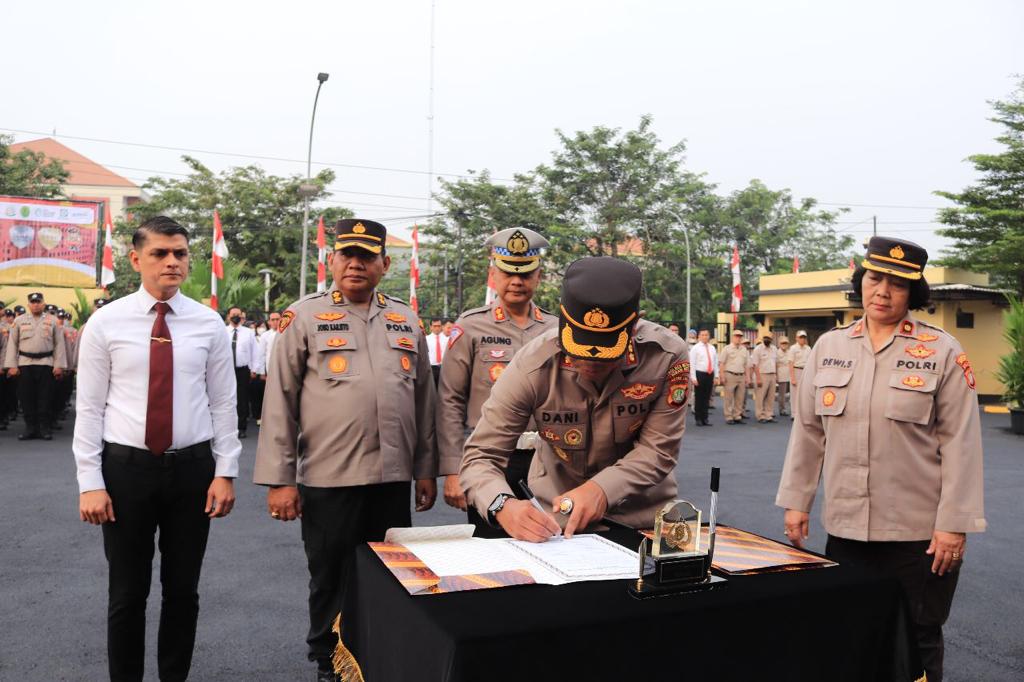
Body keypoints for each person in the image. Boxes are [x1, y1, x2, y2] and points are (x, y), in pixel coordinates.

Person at [777, 237, 986, 682]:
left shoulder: (942, 351)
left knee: (919, 638)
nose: (883, 291)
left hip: (919, 536)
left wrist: (953, 525)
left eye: (897, 284)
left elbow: (961, 443)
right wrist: (797, 501)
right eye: (875, 279)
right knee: (853, 632)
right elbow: (809, 432)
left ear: (914, 293)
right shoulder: (829, 348)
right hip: (847, 529)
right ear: (861, 281)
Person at [254, 218, 437, 681]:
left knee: (392, 577)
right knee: (331, 578)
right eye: (347, 255)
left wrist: (426, 470)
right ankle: (328, 663)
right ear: (331, 260)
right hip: (328, 478)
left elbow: (423, 402)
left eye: (367, 256)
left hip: (391, 479)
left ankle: (380, 658)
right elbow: (280, 403)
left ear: (385, 264)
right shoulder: (305, 317)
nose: (356, 264)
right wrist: (280, 480)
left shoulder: (405, 318)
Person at [74, 215, 239, 682]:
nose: (172, 262)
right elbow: (89, 409)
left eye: (180, 253)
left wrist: (225, 471)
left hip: (192, 470)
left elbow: (225, 404)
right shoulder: (106, 323)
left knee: (183, 590)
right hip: (126, 471)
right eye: (160, 254)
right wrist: (90, 482)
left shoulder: (207, 323)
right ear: (135, 259)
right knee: (127, 594)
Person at [460, 256, 690, 541]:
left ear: (633, 328)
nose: (590, 363)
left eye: (606, 354)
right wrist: (502, 505)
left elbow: (658, 450)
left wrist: (601, 490)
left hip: (642, 520)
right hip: (556, 525)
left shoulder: (665, 356)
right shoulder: (532, 366)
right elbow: (480, 455)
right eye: (579, 349)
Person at [436, 228, 557, 529]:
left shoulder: (557, 331)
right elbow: (450, 401)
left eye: (526, 274)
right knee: (491, 557)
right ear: (493, 275)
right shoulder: (471, 327)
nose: (517, 281)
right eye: (507, 273)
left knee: (550, 544)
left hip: (549, 463)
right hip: (491, 461)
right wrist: (454, 469)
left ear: (538, 277)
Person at [4, 292, 66, 440]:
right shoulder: (19, 321)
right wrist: (12, 365)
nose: (36, 304)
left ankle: (44, 428)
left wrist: (59, 366)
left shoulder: (53, 321)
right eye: (33, 302)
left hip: (46, 363)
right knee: (26, 398)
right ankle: (30, 428)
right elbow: (12, 344)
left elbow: (59, 345)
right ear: (28, 305)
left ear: (43, 303)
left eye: (38, 301)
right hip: (25, 363)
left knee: (45, 397)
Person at [225, 305, 258, 438]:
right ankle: (227, 428)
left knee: (242, 399)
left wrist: (254, 369)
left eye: (238, 314)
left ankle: (241, 427)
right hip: (226, 370)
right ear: (228, 316)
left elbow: (255, 352)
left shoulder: (248, 333)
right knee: (226, 400)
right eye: (233, 314)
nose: (236, 317)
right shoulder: (222, 331)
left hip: (242, 371)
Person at [252, 310, 283, 426]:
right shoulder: (265, 335)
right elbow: (261, 355)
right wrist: (262, 372)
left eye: (277, 319)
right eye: (273, 320)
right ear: (269, 322)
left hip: (284, 369)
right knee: (270, 395)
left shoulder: (287, 332)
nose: (275, 322)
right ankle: (270, 418)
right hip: (269, 370)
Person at [718, 329, 749, 425]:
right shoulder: (727, 348)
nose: (738, 338)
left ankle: (737, 415)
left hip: (741, 375)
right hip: (730, 375)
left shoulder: (744, 349)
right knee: (729, 397)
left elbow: (746, 365)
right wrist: (722, 376)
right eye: (736, 336)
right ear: (732, 337)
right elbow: (722, 363)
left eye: (740, 336)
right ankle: (728, 416)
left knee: (740, 397)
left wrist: (748, 377)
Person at [688, 328, 718, 426]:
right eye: (703, 335)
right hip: (699, 374)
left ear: (709, 336)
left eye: (706, 335)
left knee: (707, 397)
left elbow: (715, 363)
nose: (705, 337)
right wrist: (693, 378)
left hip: (710, 374)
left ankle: (705, 418)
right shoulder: (695, 348)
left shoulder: (712, 348)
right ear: (699, 336)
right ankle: (698, 418)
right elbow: (692, 363)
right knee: (699, 397)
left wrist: (716, 376)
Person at [750, 335, 778, 423]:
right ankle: (760, 415)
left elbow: (775, 362)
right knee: (760, 397)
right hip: (762, 375)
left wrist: (776, 375)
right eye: (765, 338)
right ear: (763, 339)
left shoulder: (774, 349)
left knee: (771, 397)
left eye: (769, 338)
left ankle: (768, 415)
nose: (767, 339)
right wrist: (758, 378)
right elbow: (755, 365)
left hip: (772, 374)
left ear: (771, 339)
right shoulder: (758, 349)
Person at [789, 330, 812, 417]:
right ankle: (794, 414)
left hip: (805, 371)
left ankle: (802, 413)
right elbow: (790, 363)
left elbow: (810, 362)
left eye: (804, 337)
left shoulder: (808, 348)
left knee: (804, 393)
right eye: (801, 337)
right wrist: (793, 378)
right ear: (796, 338)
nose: (802, 339)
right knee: (795, 393)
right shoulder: (793, 348)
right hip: (796, 370)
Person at [425, 318, 449, 385]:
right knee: (432, 388)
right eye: (434, 326)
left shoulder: (447, 340)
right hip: (431, 368)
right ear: (431, 327)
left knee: (443, 388)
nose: (437, 328)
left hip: (444, 368)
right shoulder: (426, 339)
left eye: (438, 326)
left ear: (441, 326)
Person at [775, 336, 792, 417]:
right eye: (782, 343)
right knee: (782, 394)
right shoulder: (777, 353)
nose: (784, 344)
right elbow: (776, 365)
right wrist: (776, 376)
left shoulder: (790, 352)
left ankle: (792, 409)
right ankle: (782, 409)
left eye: (785, 343)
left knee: (792, 394)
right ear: (779, 344)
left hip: (791, 375)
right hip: (781, 374)